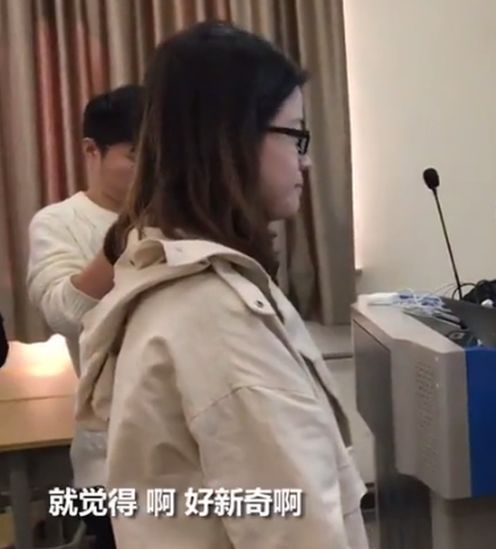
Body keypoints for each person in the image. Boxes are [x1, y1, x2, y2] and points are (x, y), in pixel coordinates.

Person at [75, 21, 367, 548]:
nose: (305, 159)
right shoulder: (218, 316)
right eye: (295, 134)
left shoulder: (167, 279)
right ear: (231, 138)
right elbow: (296, 530)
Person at [27, 83, 143, 549]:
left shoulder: (183, 214)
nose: (150, 170)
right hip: (107, 460)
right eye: (136, 156)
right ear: (91, 150)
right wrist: (124, 236)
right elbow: (62, 313)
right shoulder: (57, 222)